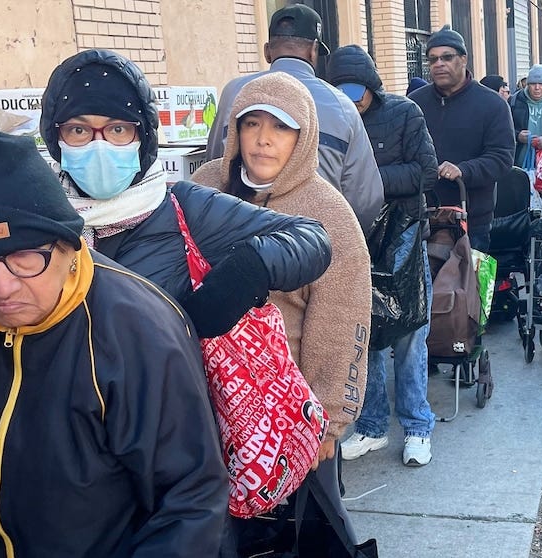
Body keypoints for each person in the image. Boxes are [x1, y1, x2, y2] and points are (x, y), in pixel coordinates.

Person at [0, 108, 228, 556]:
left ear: (69, 246)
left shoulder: (138, 331)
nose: (1, 285)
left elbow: (190, 499)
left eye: (26, 257)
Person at [192, 72, 371, 555]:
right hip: (204, 406)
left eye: (281, 127)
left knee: (294, 535)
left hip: (284, 416)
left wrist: (329, 422)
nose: (264, 140)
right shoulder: (204, 186)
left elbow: (342, 318)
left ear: (304, 135)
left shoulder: (326, 211)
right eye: (252, 124)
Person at [38, 49, 332, 340]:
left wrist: (248, 270)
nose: (98, 145)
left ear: (143, 137)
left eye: (118, 129)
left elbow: (311, 238)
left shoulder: (183, 207)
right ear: (56, 137)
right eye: (78, 130)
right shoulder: (37, 216)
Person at [326, 44, 439, 466]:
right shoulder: (330, 117)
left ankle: (416, 427)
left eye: (358, 89)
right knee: (364, 334)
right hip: (354, 237)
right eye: (343, 89)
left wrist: (365, 179)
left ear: (372, 85)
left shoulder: (405, 112)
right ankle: (372, 425)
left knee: (410, 333)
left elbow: (426, 171)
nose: (353, 98)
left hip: (404, 234)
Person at [205, 4, 384, 236]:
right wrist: (338, 237)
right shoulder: (342, 106)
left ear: (267, 51)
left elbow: (215, 166)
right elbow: (366, 199)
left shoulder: (235, 93)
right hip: (317, 246)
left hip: (239, 240)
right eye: (253, 124)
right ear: (313, 51)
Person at [409, 25, 514, 251]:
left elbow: (502, 159)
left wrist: (463, 170)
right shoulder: (414, 102)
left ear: (463, 59)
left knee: (472, 286)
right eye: (433, 59)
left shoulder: (493, 104)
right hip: (422, 217)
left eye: (447, 57)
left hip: (473, 220)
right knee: (424, 286)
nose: (439, 64)